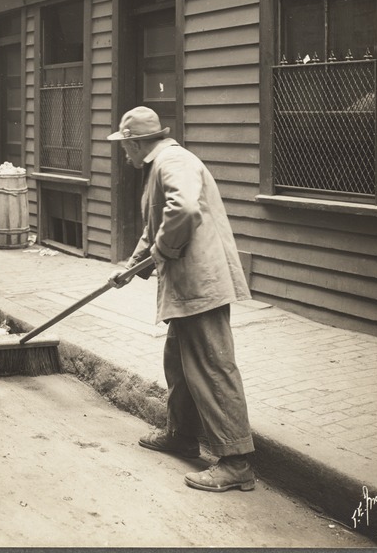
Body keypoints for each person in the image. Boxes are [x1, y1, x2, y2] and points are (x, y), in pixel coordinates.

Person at [107, 106, 255, 493]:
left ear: (138, 143)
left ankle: (236, 461)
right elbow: (155, 227)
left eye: (125, 146)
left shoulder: (172, 160)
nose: (124, 154)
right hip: (187, 284)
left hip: (200, 284)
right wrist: (133, 265)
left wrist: (161, 252)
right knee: (179, 362)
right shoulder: (159, 166)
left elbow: (184, 210)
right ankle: (181, 434)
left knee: (212, 366)